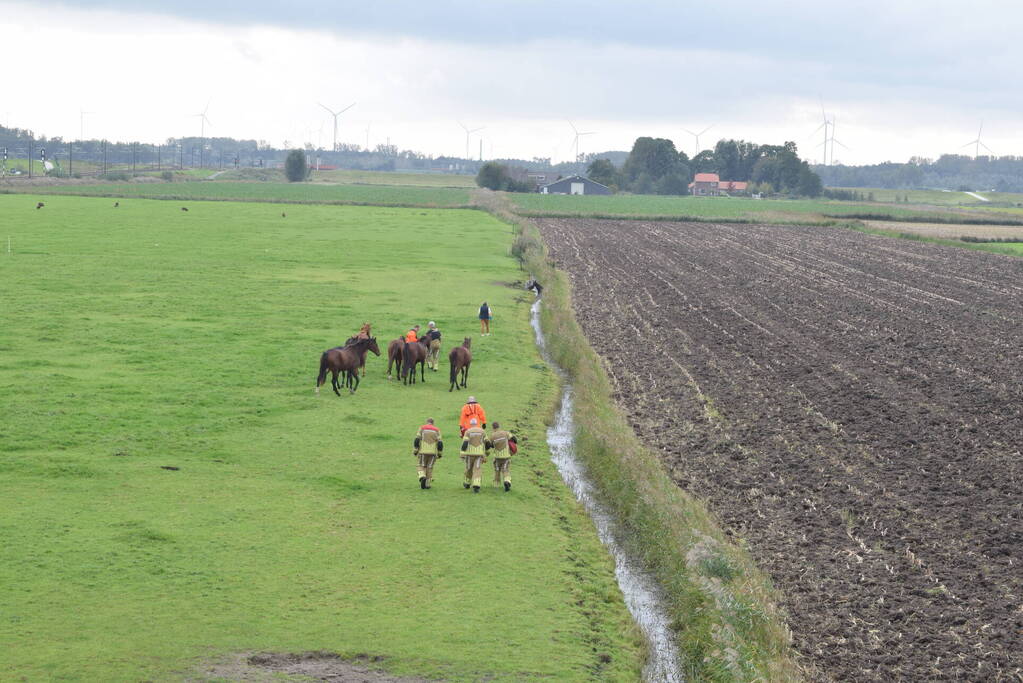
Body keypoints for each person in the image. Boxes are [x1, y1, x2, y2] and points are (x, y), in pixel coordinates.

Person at [460, 418, 490, 493]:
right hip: (479, 454)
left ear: (470, 424)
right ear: (477, 423)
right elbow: (487, 443)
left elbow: (465, 444)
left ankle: (467, 483)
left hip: (470, 454)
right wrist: (487, 452)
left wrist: (462, 453)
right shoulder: (482, 431)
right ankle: (476, 484)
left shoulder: (468, 431)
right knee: (477, 469)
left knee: (469, 468)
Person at [413, 418, 443, 490]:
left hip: (423, 451)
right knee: (429, 467)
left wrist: (415, 450)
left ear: (427, 422)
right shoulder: (437, 430)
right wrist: (439, 453)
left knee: (421, 465)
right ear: (433, 423)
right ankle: (427, 484)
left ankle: (422, 476)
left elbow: (417, 439)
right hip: (432, 453)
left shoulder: (422, 428)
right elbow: (440, 443)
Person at [489, 421, 518, 492]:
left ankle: (496, 484)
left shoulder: (492, 436)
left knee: (497, 470)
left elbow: (490, 445)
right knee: (505, 470)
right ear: (499, 426)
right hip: (506, 456)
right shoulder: (506, 433)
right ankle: (507, 481)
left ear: (493, 428)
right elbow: (514, 439)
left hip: (497, 457)